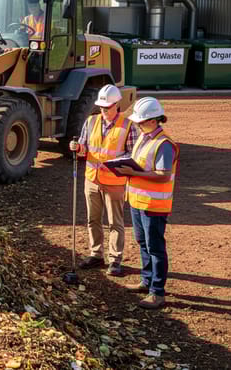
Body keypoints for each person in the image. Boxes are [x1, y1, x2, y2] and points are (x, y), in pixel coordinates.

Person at [116, 97, 178, 310]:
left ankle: (157, 292)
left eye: (140, 122)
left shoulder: (164, 144)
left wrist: (133, 172)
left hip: (154, 205)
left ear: (153, 120)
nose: (137, 125)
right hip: (137, 201)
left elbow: (163, 174)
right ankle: (146, 280)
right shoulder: (144, 138)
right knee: (143, 242)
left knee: (155, 248)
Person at [70, 85, 139, 277]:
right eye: (101, 107)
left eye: (107, 107)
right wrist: (76, 147)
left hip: (114, 182)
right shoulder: (91, 121)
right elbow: (84, 146)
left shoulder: (128, 126)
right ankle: (96, 254)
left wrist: (115, 162)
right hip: (92, 179)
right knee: (93, 219)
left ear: (117, 105)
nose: (103, 110)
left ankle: (115, 259)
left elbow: (132, 154)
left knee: (115, 222)